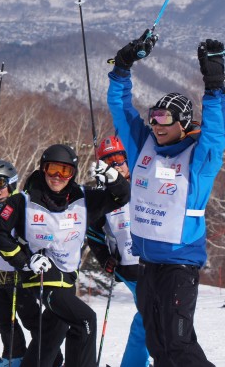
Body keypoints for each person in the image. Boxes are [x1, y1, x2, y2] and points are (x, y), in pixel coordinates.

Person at [107, 34, 225, 366]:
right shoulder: (141, 147)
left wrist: (214, 84)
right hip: (148, 264)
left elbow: (217, 134)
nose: (157, 124)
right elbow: (120, 108)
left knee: (178, 343)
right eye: (154, 116)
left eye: (165, 118)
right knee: (158, 344)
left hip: (180, 264)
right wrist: (122, 66)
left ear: (183, 123)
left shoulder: (198, 158)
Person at [0, 144, 130, 367]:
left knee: (53, 331)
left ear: (73, 173)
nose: (57, 176)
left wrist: (113, 177)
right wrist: (25, 262)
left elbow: (122, 197)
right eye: (52, 169)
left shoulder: (84, 198)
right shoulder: (23, 201)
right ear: (43, 169)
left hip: (67, 278)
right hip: (42, 277)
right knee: (85, 320)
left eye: (65, 171)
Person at [0, 160, 62, 367]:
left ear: (12, 184)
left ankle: (53, 359)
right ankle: (13, 357)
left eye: (0, 183)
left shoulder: (20, 207)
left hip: (17, 276)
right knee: (4, 321)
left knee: (32, 321)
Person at [85, 136, 149, 367]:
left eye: (120, 159)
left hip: (155, 262)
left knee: (153, 313)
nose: (116, 165)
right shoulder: (103, 195)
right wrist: (105, 259)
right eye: (109, 161)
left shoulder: (145, 182)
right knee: (149, 312)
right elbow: (93, 234)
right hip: (128, 267)